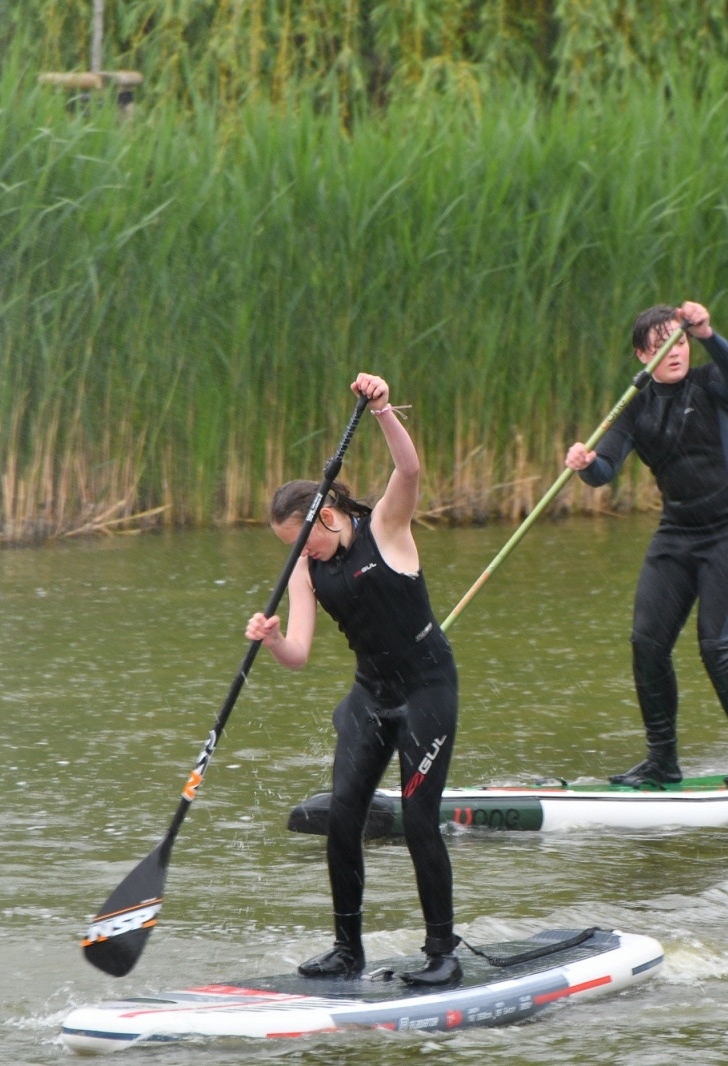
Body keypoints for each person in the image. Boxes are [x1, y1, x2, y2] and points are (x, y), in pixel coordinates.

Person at [245, 372, 460, 986]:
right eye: (290, 550)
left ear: (328, 515)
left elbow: (410, 473)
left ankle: (441, 952)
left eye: (301, 543)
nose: (299, 555)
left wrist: (385, 411)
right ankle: (347, 949)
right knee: (343, 816)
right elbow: (300, 655)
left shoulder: (387, 529)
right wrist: (273, 638)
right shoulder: (303, 571)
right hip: (372, 695)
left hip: (427, 689)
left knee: (419, 819)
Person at [565, 301, 728, 790]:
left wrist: (707, 334)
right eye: (659, 347)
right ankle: (662, 762)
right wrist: (583, 463)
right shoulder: (634, 406)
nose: (673, 353)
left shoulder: (711, 385)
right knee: (647, 642)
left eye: (678, 342)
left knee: (718, 647)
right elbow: (603, 471)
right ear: (642, 356)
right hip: (678, 532)